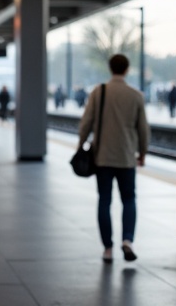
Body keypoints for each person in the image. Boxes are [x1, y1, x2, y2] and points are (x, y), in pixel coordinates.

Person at [76, 54, 149, 265]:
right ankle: (127, 240)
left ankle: (107, 248)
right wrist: (142, 152)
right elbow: (143, 129)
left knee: (104, 200)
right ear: (126, 70)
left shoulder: (99, 92)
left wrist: (81, 145)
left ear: (110, 68)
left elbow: (86, 122)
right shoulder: (135, 95)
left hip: (103, 157)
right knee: (129, 199)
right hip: (126, 158)